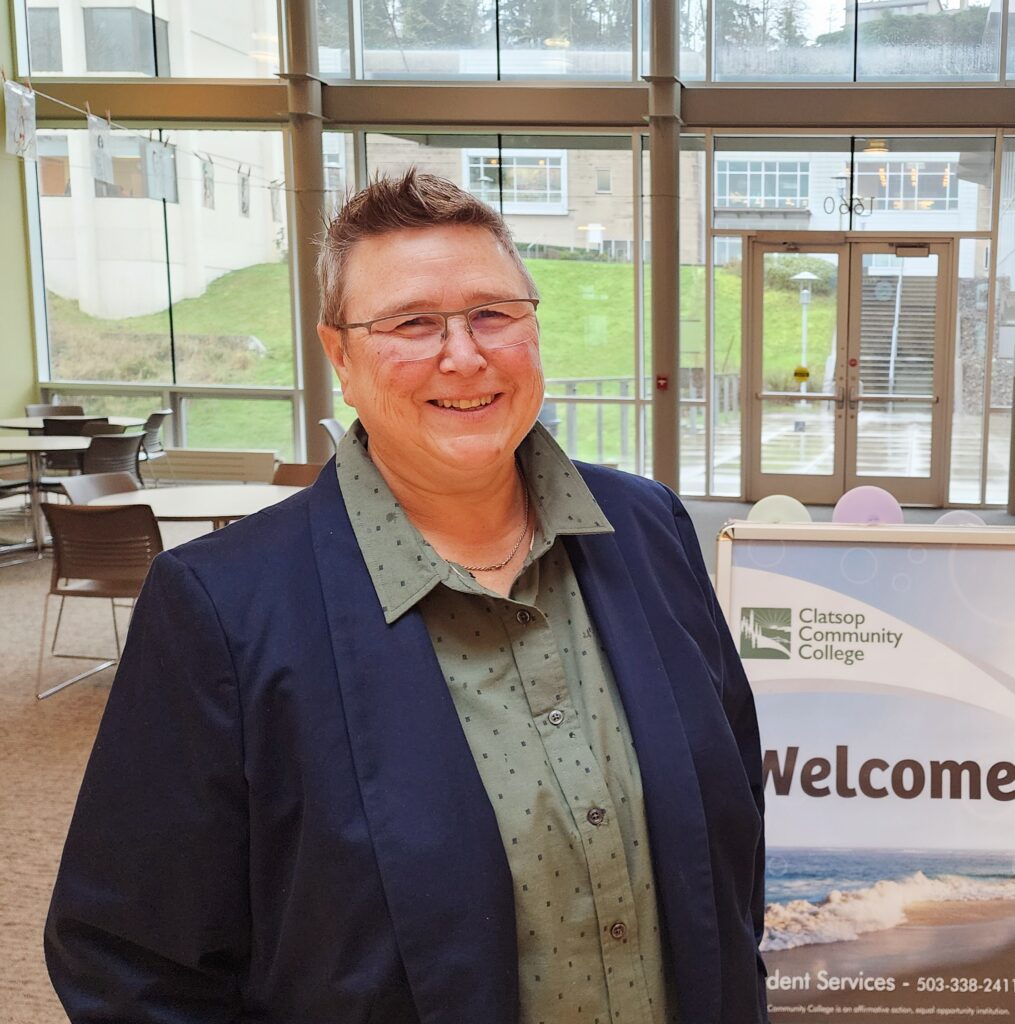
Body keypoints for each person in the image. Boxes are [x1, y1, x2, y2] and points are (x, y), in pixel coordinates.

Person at [45, 170, 768, 1024]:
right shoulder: (222, 609)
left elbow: (729, 839)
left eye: (493, 314)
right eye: (412, 324)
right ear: (340, 357)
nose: (463, 355)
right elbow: (130, 962)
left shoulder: (647, 529)